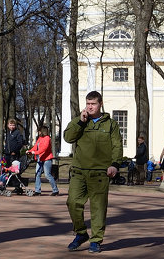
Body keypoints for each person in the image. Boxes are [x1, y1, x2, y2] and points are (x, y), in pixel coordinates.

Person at [64, 91, 122, 253]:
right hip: (79, 171)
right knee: (73, 202)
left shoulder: (110, 124)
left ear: (100, 104)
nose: (90, 107)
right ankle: (81, 233)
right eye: (88, 103)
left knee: (98, 207)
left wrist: (115, 164)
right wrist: (80, 122)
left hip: (100, 174)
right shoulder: (80, 121)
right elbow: (68, 138)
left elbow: (117, 145)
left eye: (93, 104)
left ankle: (96, 240)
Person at [30, 126, 59, 196]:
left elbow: (44, 148)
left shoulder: (47, 138)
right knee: (37, 174)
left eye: (39, 131)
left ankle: (55, 190)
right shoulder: (40, 138)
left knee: (47, 175)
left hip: (47, 159)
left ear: (42, 131)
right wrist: (30, 151)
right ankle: (37, 191)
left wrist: (36, 152)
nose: (38, 132)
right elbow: (35, 147)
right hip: (40, 159)